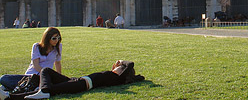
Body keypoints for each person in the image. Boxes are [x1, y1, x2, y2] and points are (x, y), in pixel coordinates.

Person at [0, 60, 144, 100]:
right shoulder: (113, 76)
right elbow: (140, 78)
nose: (116, 66)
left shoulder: (117, 78)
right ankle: (43, 91)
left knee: (50, 89)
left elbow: (130, 63)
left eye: (119, 66)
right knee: (46, 72)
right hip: (77, 81)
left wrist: (120, 61)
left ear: (123, 72)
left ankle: (9, 97)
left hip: (82, 85)